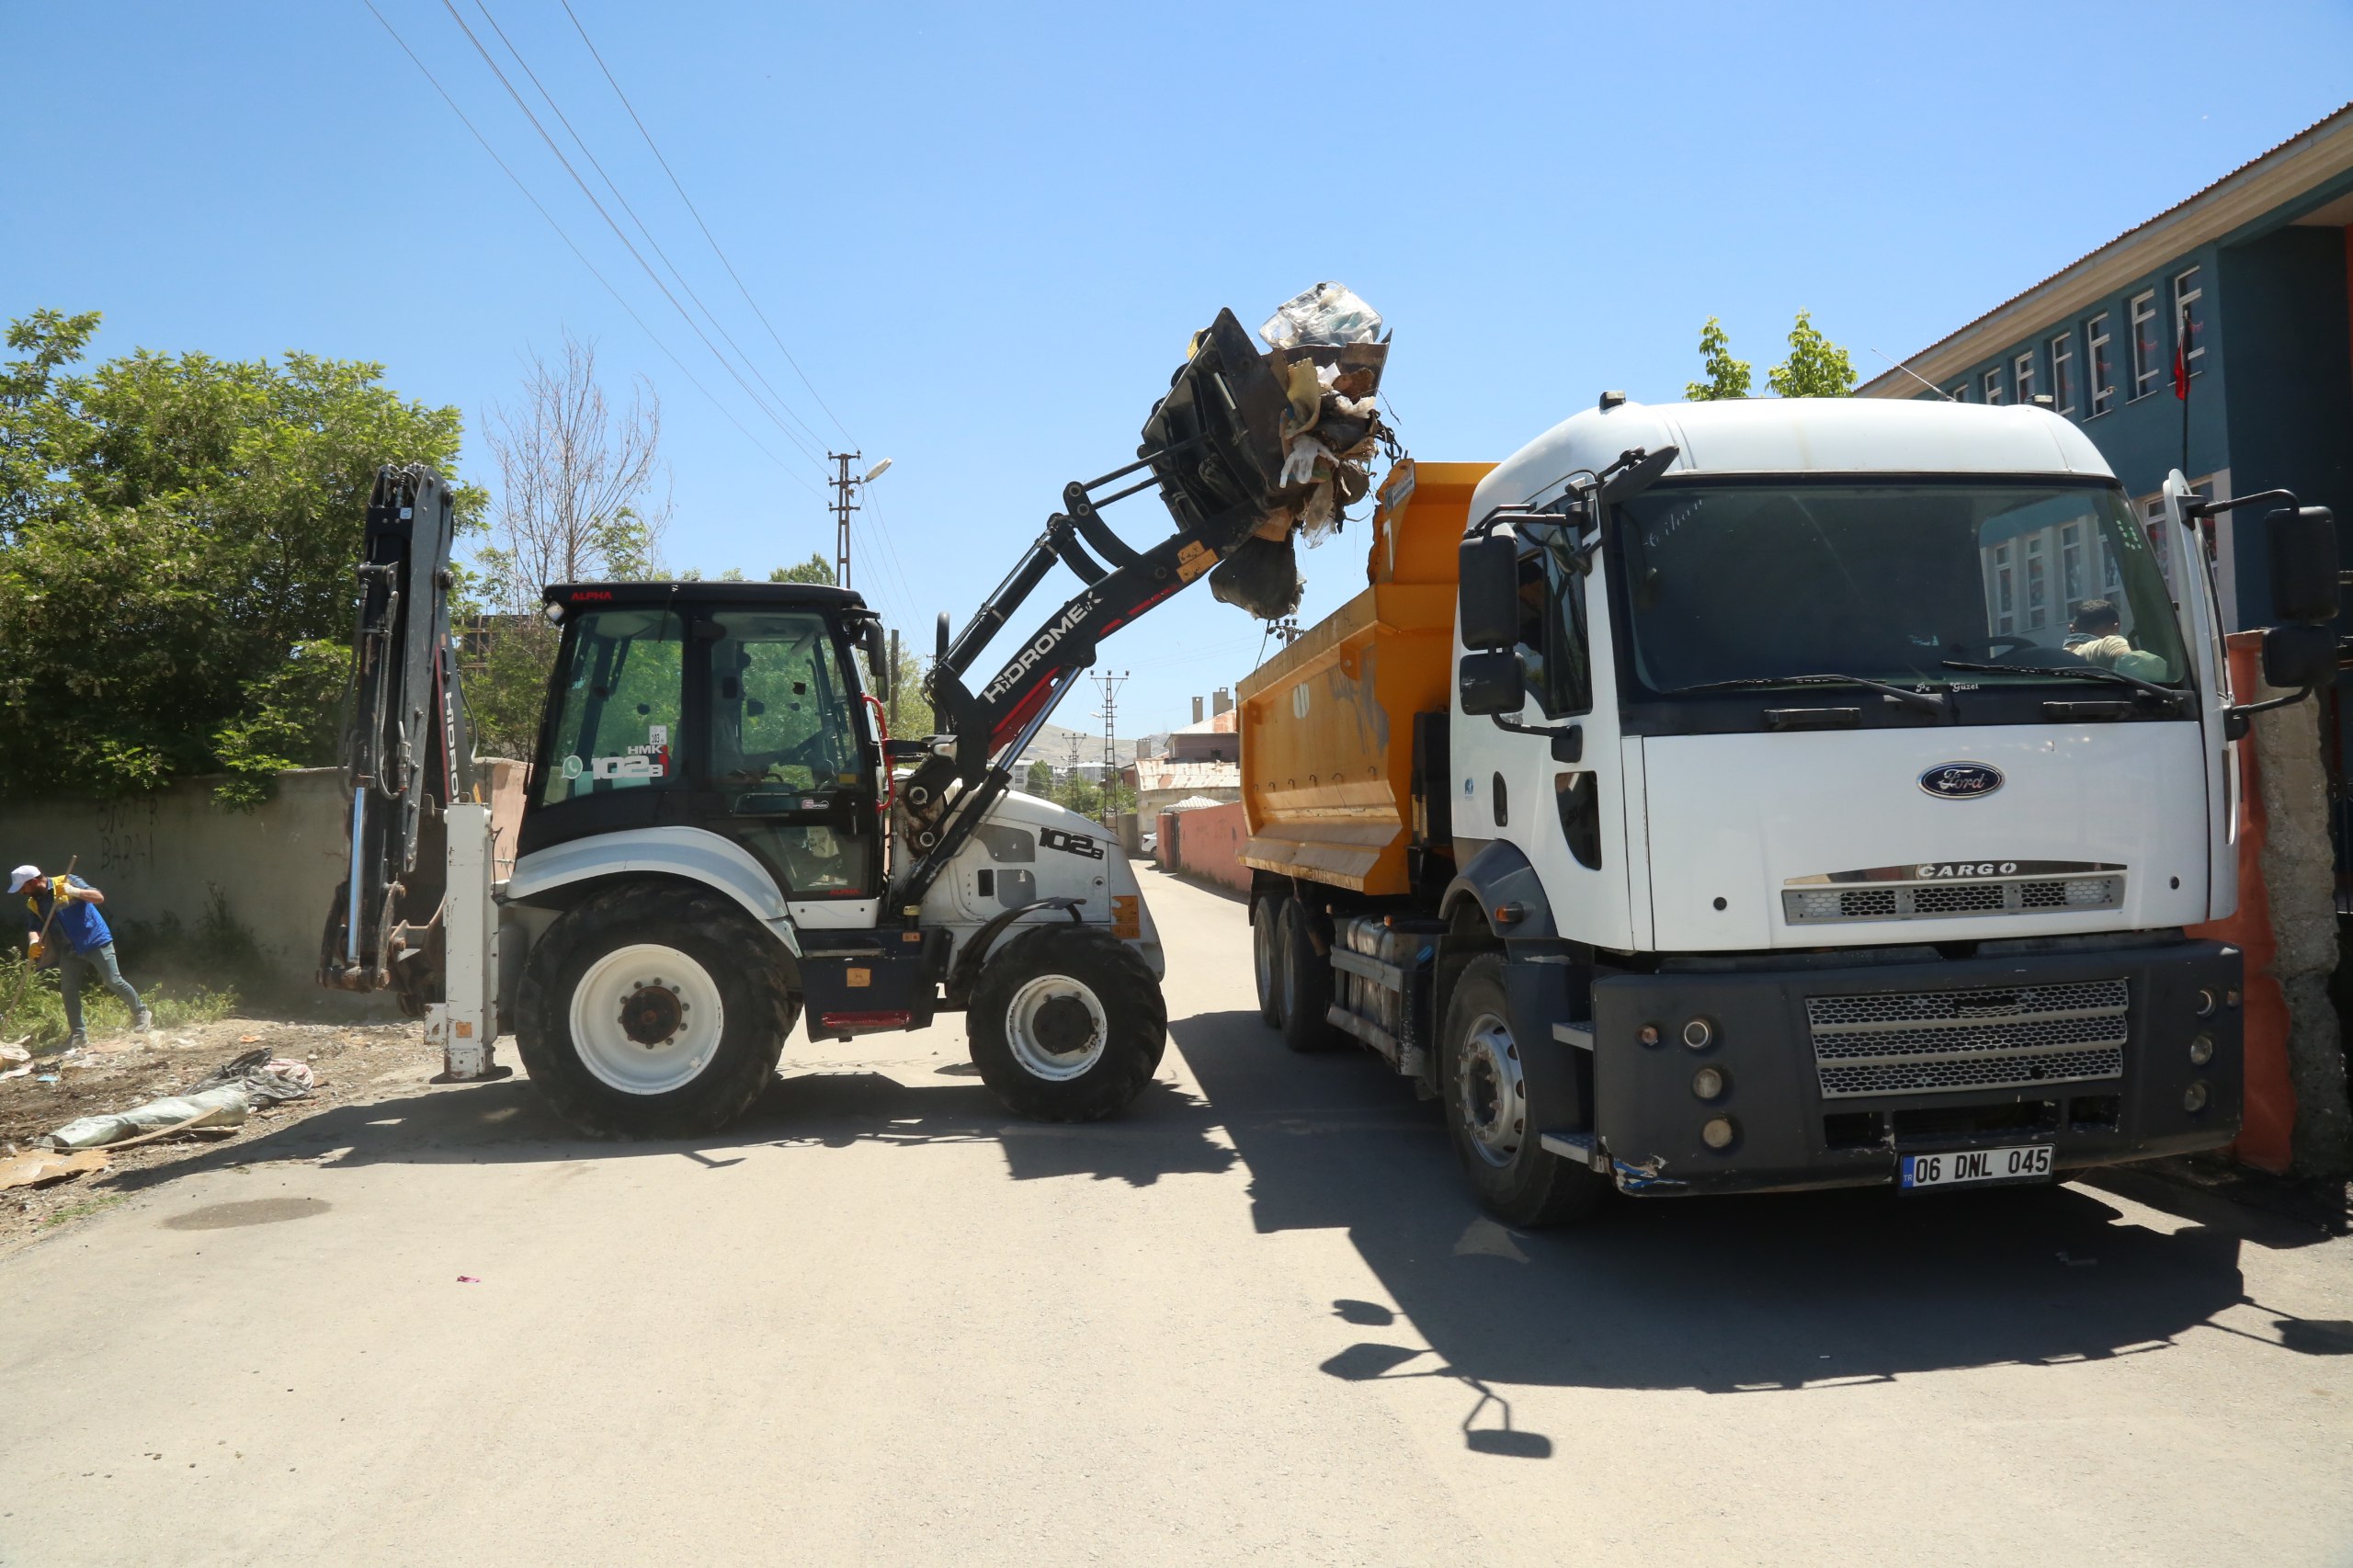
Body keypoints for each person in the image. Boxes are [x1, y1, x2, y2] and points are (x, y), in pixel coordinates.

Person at [11, 865, 151, 1047]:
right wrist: (33, 942)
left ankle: (141, 1012)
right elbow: (34, 927)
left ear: (34, 881)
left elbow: (98, 897)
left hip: (95, 941)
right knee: (69, 991)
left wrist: (73, 891)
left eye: (23, 888)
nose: (22, 892)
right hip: (69, 950)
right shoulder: (34, 902)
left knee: (113, 981)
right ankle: (78, 1034)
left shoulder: (68, 880)